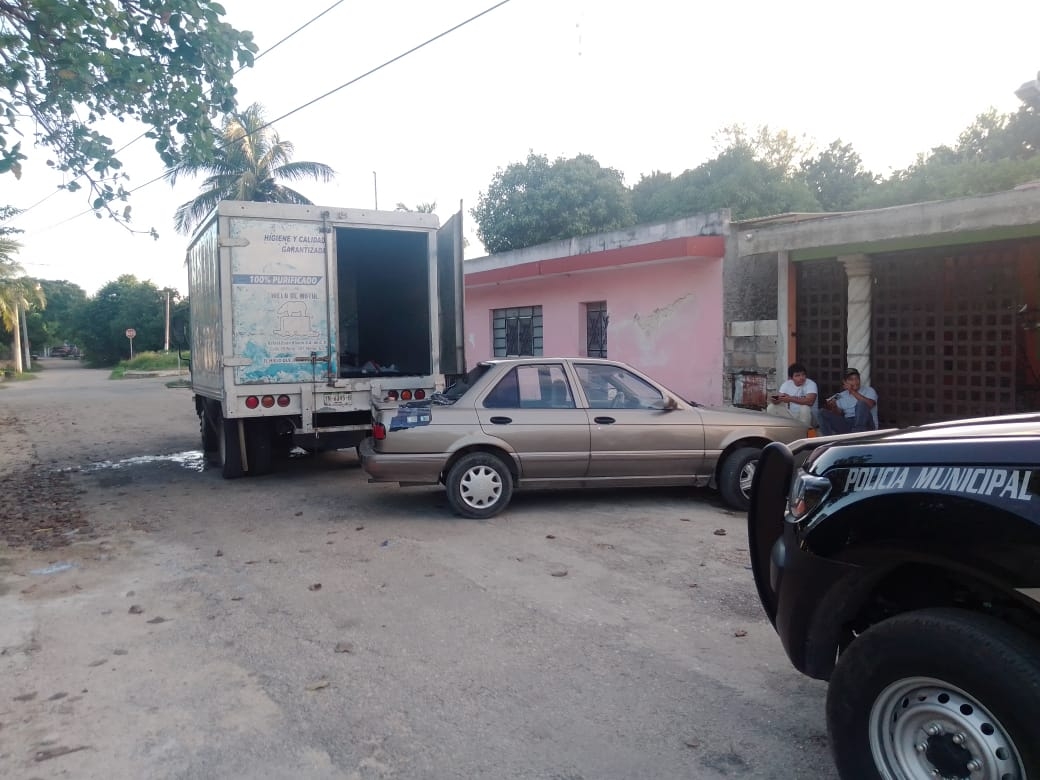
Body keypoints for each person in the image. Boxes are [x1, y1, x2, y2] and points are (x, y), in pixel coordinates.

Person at [818, 367, 879, 435]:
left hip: (866, 426)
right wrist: (834, 407)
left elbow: (870, 404)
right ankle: (827, 440)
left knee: (861, 403)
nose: (855, 382)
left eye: (857, 378)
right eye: (851, 379)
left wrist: (852, 391)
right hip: (848, 424)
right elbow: (837, 411)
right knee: (821, 412)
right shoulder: (840, 395)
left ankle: (857, 434)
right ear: (844, 382)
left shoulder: (869, 390)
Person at [766, 362, 818, 427]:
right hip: (792, 415)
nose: (801, 377)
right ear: (791, 378)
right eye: (797, 375)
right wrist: (774, 399)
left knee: (805, 407)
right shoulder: (786, 384)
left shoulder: (810, 384)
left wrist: (790, 398)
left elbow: (810, 401)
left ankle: (805, 431)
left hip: (810, 418)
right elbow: (779, 398)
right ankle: (779, 429)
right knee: (771, 407)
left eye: (803, 374)